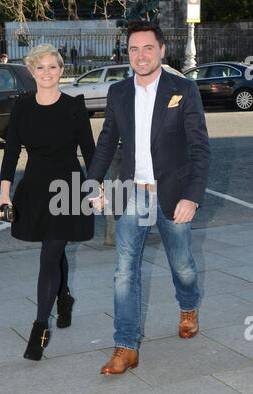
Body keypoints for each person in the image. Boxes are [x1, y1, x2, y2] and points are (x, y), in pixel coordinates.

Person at [87, 21, 210, 375]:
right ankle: (126, 346)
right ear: (127, 53)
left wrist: (193, 197)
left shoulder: (183, 90)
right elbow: (107, 141)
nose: (140, 55)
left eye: (147, 48)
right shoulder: (119, 92)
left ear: (161, 50)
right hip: (133, 194)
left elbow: (200, 149)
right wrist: (91, 182)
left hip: (172, 193)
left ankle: (188, 305)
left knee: (183, 265)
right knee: (124, 270)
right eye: (133, 49)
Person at [0, 44, 95, 361]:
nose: (47, 72)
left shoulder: (74, 107)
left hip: (69, 188)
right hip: (36, 187)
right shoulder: (22, 107)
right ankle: (63, 297)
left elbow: (90, 153)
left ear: (62, 70)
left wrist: (98, 188)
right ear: (31, 71)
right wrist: (4, 192)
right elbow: (11, 152)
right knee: (54, 250)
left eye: (53, 67)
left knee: (50, 252)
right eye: (40, 67)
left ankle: (39, 327)